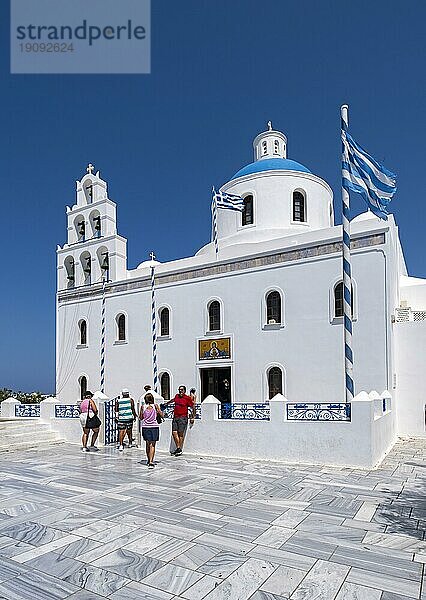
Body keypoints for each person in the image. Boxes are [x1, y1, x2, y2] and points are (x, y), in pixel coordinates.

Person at [162, 385, 196, 456]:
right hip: (175, 417)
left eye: (182, 390)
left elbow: (193, 406)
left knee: (180, 433)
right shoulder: (177, 396)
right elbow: (173, 400)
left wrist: (193, 417)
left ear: (184, 391)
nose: (180, 391)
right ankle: (178, 448)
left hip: (183, 417)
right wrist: (166, 403)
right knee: (174, 432)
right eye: (179, 390)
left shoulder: (187, 398)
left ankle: (179, 449)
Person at [139, 392, 163, 468]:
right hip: (154, 427)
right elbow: (161, 415)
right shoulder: (155, 406)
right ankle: (151, 461)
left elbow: (141, 417)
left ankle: (148, 459)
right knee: (152, 445)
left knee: (147, 444)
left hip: (145, 427)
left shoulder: (143, 407)